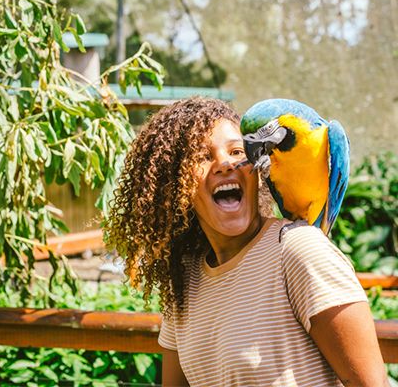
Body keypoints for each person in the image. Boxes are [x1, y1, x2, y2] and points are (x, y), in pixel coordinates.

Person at [106, 97, 388, 386]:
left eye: (237, 151)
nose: (226, 164)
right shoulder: (185, 278)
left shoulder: (298, 249)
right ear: (173, 186)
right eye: (202, 157)